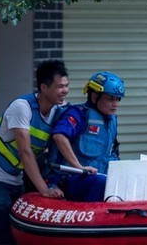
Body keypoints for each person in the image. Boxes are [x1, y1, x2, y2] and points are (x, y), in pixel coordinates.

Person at [0, 60, 70, 245]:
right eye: (59, 87)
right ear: (43, 87)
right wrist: (44, 190)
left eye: (66, 86)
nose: (64, 91)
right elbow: (26, 152)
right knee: (2, 233)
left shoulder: (60, 110)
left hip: (16, 176)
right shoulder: (22, 107)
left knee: (8, 231)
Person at [50, 71, 124, 202]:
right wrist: (78, 167)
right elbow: (59, 136)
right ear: (95, 96)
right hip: (72, 180)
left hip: (99, 181)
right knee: (101, 182)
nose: (115, 104)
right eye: (110, 98)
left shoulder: (112, 120)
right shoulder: (79, 113)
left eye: (118, 99)